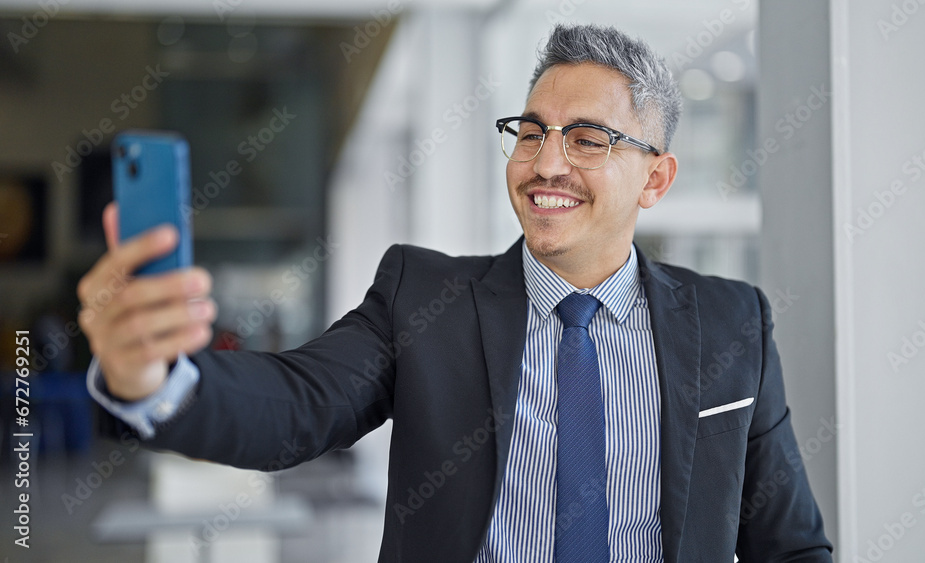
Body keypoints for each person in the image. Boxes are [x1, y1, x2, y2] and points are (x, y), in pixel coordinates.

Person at [78, 24, 833, 562]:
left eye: (587, 139)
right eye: (531, 132)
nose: (545, 163)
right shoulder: (423, 297)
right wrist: (156, 380)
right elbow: (297, 406)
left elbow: (789, 544)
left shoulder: (733, 320)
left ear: (657, 178)